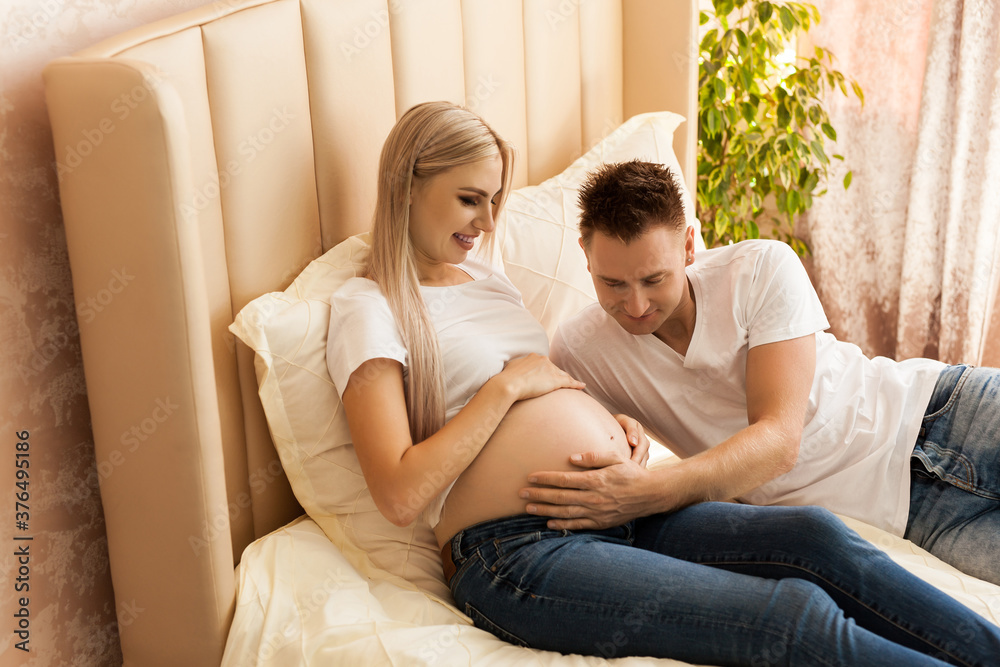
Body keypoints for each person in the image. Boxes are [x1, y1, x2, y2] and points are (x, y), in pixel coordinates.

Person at [326, 101, 1000, 666]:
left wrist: (608, 424)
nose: (486, 220)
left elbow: (548, 389)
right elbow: (399, 491)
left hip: (614, 512)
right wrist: (503, 391)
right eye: (470, 198)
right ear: (409, 184)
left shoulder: (488, 282)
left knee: (816, 541)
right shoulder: (368, 306)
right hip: (515, 550)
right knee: (786, 616)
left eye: (495, 199)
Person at [531, 158, 1000, 588]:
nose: (635, 305)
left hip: (945, 412)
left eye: (654, 279)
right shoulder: (577, 351)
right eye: (612, 283)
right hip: (910, 517)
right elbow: (595, 451)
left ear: (689, 246)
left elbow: (778, 441)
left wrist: (649, 491)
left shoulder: (759, 269)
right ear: (586, 257)